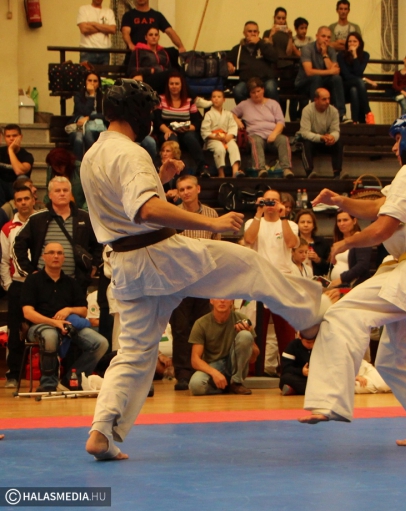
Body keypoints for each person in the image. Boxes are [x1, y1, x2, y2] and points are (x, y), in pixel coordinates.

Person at [80, 79, 327, 460]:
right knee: (249, 264)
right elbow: (146, 210)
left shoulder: (93, 154)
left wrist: (160, 179)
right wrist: (211, 223)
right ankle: (310, 320)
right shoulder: (130, 152)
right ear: (136, 114)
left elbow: (124, 202)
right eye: (148, 113)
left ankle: (101, 430)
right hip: (161, 255)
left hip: (127, 265)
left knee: (133, 353)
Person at [300, 111, 406, 448]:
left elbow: (383, 227)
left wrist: (347, 242)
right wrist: (341, 201)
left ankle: (329, 401)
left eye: (398, 139)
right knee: (397, 360)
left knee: (342, 314)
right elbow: (381, 205)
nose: (393, 147)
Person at [21, 242, 108, 392]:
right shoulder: (32, 281)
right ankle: (48, 383)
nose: (56, 256)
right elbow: (28, 312)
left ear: (64, 258)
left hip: (69, 325)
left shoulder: (71, 282)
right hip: (40, 325)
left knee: (101, 343)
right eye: (51, 252)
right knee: (50, 336)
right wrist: (53, 322)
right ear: (43, 257)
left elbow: (83, 311)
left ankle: (71, 379)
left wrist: (69, 310)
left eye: (60, 253)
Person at [169, 174, 220, 391]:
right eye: (181, 189)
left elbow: (217, 246)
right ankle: (182, 373)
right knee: (180, 328)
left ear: (198, 189)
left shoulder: (211, 214)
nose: (186, 192)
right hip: (179, 279)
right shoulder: (173, 213)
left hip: (204, 279)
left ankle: (201, 369)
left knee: (201, 328)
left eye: (189, 188)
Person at [13, 176, 101, 293]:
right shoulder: (37, 219)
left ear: (71, 194)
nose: (62, 193)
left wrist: (94, 265)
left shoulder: (85, 218)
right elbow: (18, 245)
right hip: (43, 284)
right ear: (50, 195)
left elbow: (98, 243)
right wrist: (29, 271)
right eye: (58, 190)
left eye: (65, 190)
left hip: (76, 283)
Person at [243, 189, 300, 357]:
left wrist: (283, 217)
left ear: (280, 203)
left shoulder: (290, 224)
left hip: (282, 281)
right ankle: (255, 368)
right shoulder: (253, 222)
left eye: (273, 200)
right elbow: (248, 239)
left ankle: (287, 367)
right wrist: (258, 212)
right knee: (256, 330)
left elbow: (291, 243)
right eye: (266, 200)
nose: (270, 204)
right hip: (259, 280)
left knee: (285, 331)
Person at [1, 186, 36, 388]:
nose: (23, 202)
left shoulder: (42, 222)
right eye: (19, 200)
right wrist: (9, 285)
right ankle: (13, 375)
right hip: (18, 284)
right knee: (15, 332)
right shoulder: (7, 228)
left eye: (26, 198)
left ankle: (50, 373)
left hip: (40, 285)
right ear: (15, 203)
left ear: (33, 200)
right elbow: (4, 260)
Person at [189, 299, 259, 396]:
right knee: (196, 386)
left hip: (234, 364)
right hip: (213, 365)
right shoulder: (201, 323)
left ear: (232, 301)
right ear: (211, 300)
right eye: (218, 297)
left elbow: (253, 358)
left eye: (226, 297)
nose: (222, 300)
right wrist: (214, 373)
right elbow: (195, 359)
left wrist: (248, 339)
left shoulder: (242, 319)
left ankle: (236, 382)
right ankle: (226, 387)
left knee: (245, 335)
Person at [232, 77, 293, 178]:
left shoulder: (273, 104)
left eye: (258, 91)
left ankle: (286, 169)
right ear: (249, 93)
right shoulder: (244, 104)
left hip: (272, 135)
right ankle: (260, 169)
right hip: (255, 134)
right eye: (253, 92)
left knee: (283, 139)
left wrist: (274, 134)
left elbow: (281, 122)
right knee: (255, 140)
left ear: (263, 90)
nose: (256, 94)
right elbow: (231, 114)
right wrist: (237, 120)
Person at [154, 71, 206, 177]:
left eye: (177, 84)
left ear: (182, 85)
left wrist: (188, 128)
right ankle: (175, 170)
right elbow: (157, 120)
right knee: (172, 139)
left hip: (185, 131)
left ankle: (202, 168)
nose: (174, 86)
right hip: (167, 131)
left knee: (190, 138)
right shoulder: (161, 99)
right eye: (171, 84)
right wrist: (167, 130)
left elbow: (196, 122)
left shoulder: (189, 101)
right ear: (168, 85)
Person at [295, 26, 347, 122]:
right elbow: (309, 72)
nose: (326, 39)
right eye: (323, 36)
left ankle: (341, 114)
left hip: (322, 82)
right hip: (304, 83)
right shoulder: (307, 49)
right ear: (317, 36)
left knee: (336, 79)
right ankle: (316, 114)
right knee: (316, 78)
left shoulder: (330, 50)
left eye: (328, 37)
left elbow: (335, 71)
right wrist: (329, 72)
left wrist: (325, 54)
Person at [227, 21, 279, 104]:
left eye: (255, 31)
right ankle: (247, 111)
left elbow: (274, 57)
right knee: (238, 90)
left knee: (271, 88)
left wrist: (259, 43)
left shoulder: (265, 45)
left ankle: (273, 112)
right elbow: (227, 59)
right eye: (250, 31)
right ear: (244, 33)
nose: (253, 34)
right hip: (247, 82)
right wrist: (229, 63)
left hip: (265, 80)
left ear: (258, 33)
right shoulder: (238, 48)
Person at [298, 88, 343, 179]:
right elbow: (305, 132)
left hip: (326, 142)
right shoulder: (307, 110)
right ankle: (309, 173)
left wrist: (332, 137)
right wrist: (320, 137)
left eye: (329, 99)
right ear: (316, 100)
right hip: (312, 141)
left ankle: (337, 174)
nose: (327, 102)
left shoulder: (334, 111)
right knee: (305, 143)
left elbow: (336, 130)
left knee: (338, 142)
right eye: (324, 99)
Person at [201, 90, 242, 178]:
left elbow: (233, 127)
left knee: (234, 146)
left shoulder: (228, 114)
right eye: (214, 97)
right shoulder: (208, 114)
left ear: (224, 100)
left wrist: (229, 136)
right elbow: (205, 131)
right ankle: (221, 173)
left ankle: (235, 171)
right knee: (219, 148)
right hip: (213, 139)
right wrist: (216, 137)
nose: (216, 99)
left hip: (226, 137)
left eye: (219, 97)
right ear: (211, 99)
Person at [67, 72, 106, 161]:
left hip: (97, 127)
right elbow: (83, 111)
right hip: (80, 125)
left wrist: (89, 117)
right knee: (78, 139)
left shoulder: (103, 97)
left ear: (99, 83)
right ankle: (79, 165)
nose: (92, 83)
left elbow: (104, 115)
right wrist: (91, 96)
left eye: (95, 81)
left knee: (88, 134)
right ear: (85, 82)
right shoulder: (78, 96)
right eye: (89, 80)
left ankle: (91, 162)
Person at [337, 32, 375, 124]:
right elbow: (346, 75)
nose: (352, 44)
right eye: (349, 41)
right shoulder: (341, 55)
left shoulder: (365, 55)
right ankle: (368, 112)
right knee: (359, 82)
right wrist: (363, 79)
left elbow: (359, 72)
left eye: (355, 41)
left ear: (360, 43)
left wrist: (355, 56)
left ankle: (355, 121)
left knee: (354, 90)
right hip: (344, 86)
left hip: (356, 87)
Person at [121, 0, 186, 53]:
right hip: (134, 56)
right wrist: (130, 44)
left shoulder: (157, 15)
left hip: (152, 57)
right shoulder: (128, 15)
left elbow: (170, 31)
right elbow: (125, 32)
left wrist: (181, 46)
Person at [328, 210, 371, 288]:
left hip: (353, 285)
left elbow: (362, 265)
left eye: (345, 220)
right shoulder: (338, 240)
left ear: (354, 221)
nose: (342, 224)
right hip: (336, 285)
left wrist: (342, 278)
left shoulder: (360, 238)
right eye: (339, 221)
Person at [127, 26, 172, 94]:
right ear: (146, 37)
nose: (154, 37)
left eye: (156, 35)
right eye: (151, 35)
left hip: (163, 78)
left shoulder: (163, 52)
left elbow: (169, 67)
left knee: (176, 75)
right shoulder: (139, 51)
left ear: (159, 37)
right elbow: (131, 69)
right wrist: (150, 70)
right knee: (171, 74)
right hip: (147, 78)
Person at [0, 124, 34, 206]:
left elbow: (19, 171)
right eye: (8, 136)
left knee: (22, 177)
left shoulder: (26, 156)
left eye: (14, 136)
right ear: (4, 138)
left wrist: (11, 150)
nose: (11, 138)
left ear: (21, 137)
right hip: (2, 187)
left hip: (17, 187)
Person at [77, 0, 116, 65]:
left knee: (104, 72)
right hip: (87, 50)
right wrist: (104, 28)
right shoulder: (84, 9)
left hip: (104, 51)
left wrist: (95, 24)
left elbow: (112, 29)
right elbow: (84, 29)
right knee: (86, 72)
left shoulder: (109, 12)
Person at [295, 209, 330, 276]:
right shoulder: (293, 242)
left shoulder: (322, 242)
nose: (305, 225)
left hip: (316, 279)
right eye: (302, 222)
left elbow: (329, 266)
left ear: (313, 225)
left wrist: (318, 259)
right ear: (297, 224)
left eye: (309, 222)